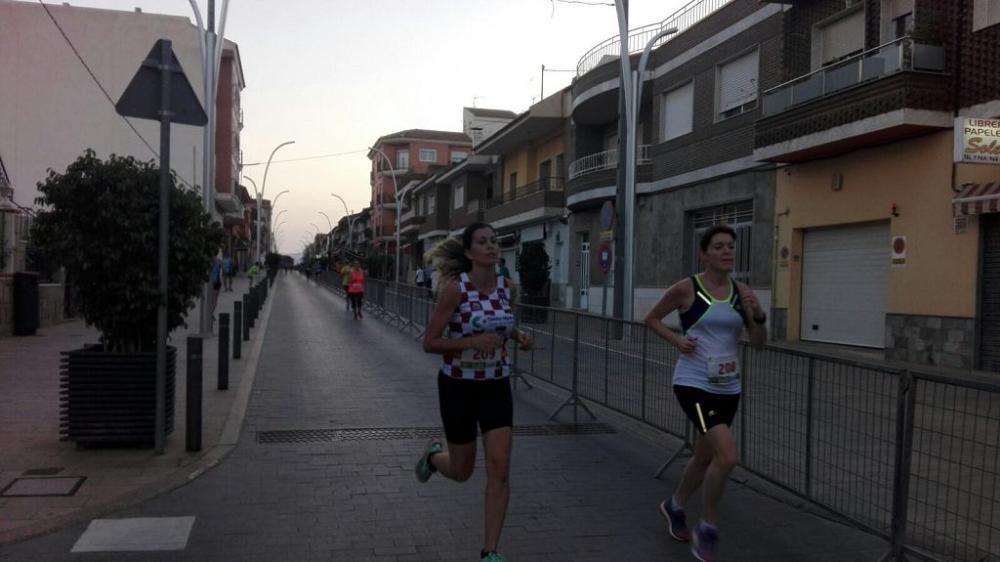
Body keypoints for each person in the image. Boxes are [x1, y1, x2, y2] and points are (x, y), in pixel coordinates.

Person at [643, 224, 767, 562]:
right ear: (704, 253)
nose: (727, 251)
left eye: (731, 246)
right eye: (719, 246)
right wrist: (677, 341)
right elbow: (651, 318)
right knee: (727, 456)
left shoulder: (743, 292)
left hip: (729, 387)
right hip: (693, 384)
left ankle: (675, 506)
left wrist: (758, 316)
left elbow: (758, 345)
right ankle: (708, 530)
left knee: (703, 457)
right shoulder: (688, 289)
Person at [414, 222, 533, 562]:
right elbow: (430, 342)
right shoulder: (456, 290)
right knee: (463, 471)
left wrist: (520, 337)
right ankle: (434, 459)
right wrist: (470, 342)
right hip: (458, 387)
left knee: (499, 468)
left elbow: (505, 325)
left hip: (496, 386)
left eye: (494, 241)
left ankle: (490, 552)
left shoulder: (507, 288)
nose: (492, 246)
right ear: (469, 252)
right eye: (483, 242)